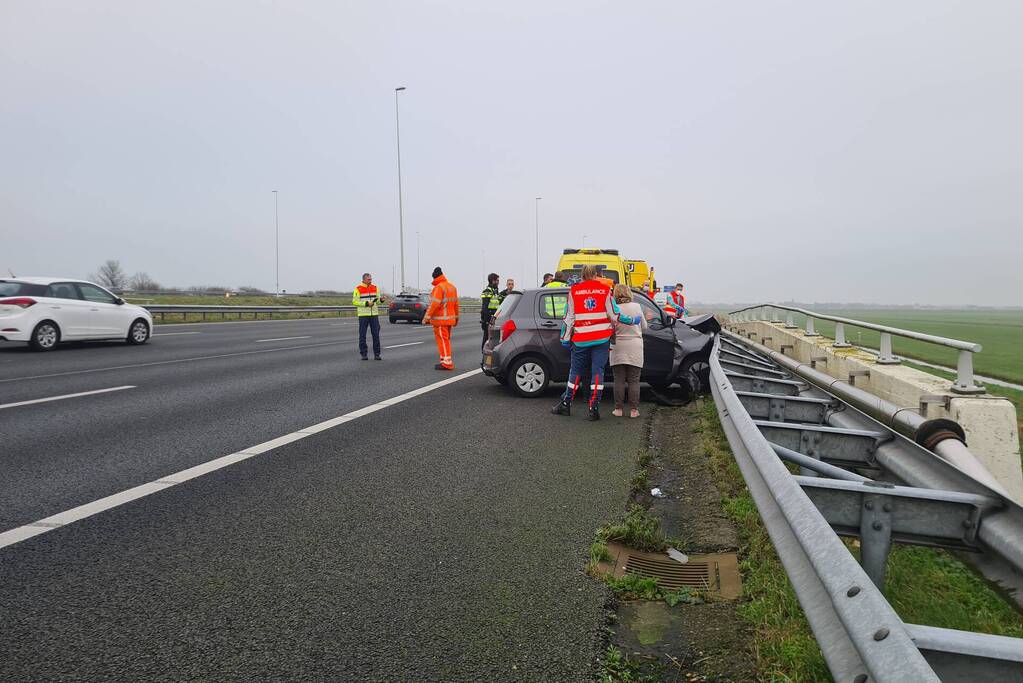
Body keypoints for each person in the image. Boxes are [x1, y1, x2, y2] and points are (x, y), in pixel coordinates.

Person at [551, 265, 641, 421]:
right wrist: (632, 320)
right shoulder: (605, 290)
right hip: (601, 339)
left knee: (576, 372)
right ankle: (594, 408)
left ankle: (566, 403)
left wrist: (565, 338)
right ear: (596, 275)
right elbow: (614, 315)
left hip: (581, 339)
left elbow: (569, 318)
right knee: (597, 371)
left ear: (582, 275)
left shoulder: (574, 291)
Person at [610, 284, 647, 418]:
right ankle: (634, 410)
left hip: (617, 345)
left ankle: (618, 409)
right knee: (634, 380)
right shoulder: (636, 307)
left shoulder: (613, 308)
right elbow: (644, 326)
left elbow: (610, 328)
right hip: (635, 346)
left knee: (618, 379)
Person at [424, 266, 459, 370]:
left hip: (440, 320)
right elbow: (456, 305)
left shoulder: (439, 287)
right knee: (446, 340)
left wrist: (426, 317)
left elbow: (434, 304)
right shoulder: (452, 287)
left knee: (443, 341)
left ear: (435, 277)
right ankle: (444, 360)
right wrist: (456, 318)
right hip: (449, 320)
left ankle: (447, 363)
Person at [352, 272, 383, 360]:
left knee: (376, 335)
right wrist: (366, 303)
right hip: (363, 315)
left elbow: (377, 301)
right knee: (362, 336)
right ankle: (363, 354)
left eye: (371, 279)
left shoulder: (375, 287)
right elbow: (354, 302)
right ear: (364, 279)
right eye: (369, 279)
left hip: (374, 315)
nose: (370, 280)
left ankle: (377, 354)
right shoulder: (358, 289)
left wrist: (381, 300)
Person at [480, 272, 501, 351]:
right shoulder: (487, 291)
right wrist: (488, 320)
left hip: (493, 319)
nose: (498, 282)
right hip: (488, 319)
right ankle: (484, 357)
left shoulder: (494, 291)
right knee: (486, 338)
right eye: (497, 280)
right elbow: (485, 308)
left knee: (492, 339)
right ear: (493, 281)